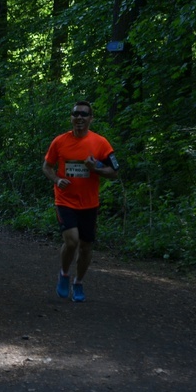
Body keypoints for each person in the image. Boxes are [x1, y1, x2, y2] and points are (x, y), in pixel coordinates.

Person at [41, 101, 119, 302]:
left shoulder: (101, 143)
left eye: (84, 114)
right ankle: (64, 274)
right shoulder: (59, 141)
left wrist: (96, 170)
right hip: (65, 200)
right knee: (72, 240)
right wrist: (57, 179)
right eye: (76, 114)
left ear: (91, 118)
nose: (79, 118)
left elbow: (114, 172)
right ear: (71, 117)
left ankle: (78, 282)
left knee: (85, 246)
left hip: (89, 204)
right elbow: (47, 167)